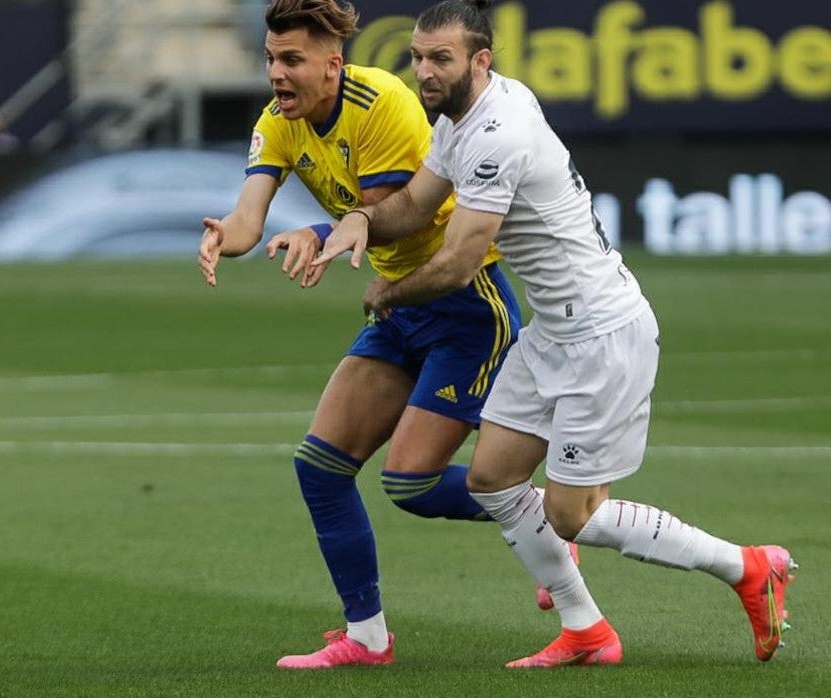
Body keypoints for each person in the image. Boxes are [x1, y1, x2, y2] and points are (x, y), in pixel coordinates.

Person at [314, 0, 796, 668]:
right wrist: (359, 222)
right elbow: (416, 203)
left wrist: (385, 293)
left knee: (573, 515)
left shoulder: (498, 133)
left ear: (480, 60)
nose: (424, 71)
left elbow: (457, 264)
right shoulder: (462, 118)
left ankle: (747, 567)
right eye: (419, 57)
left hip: (604, 335)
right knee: (492, 481)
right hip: (552, 334)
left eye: (440, 59)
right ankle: (587, 631)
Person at [199, 0, 537, 670]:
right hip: (398, 308)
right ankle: (368, 638)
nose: (276, 74)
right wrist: (226, 240)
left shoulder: (380, 101)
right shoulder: (279, 122)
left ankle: (546, 519)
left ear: (333, 63)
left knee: (410, 484)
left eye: (291, 60)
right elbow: (248, 216)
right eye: (270, 59)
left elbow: (397, 216)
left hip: (465, 303)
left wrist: (318, 233)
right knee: (320, 468)